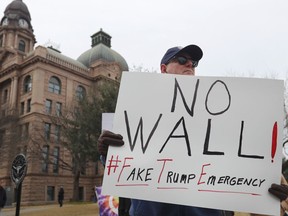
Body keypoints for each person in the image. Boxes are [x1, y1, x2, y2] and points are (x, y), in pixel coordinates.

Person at [97, 45, 287, 216]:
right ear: (164, 68)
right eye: (181, 60)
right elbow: (125, 166)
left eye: (193, 63)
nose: (189, 64)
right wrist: (107, 152)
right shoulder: (140, 107)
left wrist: (267, 189)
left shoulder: (220, 113)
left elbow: (238, 163)